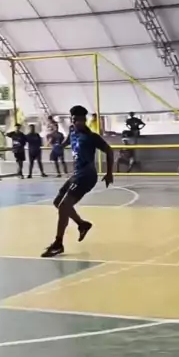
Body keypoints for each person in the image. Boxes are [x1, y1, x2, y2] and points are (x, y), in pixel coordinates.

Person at [41, 105, 114, 258]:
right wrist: (59, 148)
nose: (77, 123)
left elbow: (109, 150)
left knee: (64, 206)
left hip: (87, 176)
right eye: (75, 120)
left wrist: (109, 173)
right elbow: (67, 141)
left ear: (85, 120)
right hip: (76, 174)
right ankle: (82, 224)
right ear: (72, 120)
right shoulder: (72, 131)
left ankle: (58, 243)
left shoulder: (92, 137)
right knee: (58, 202)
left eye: (80, 120)